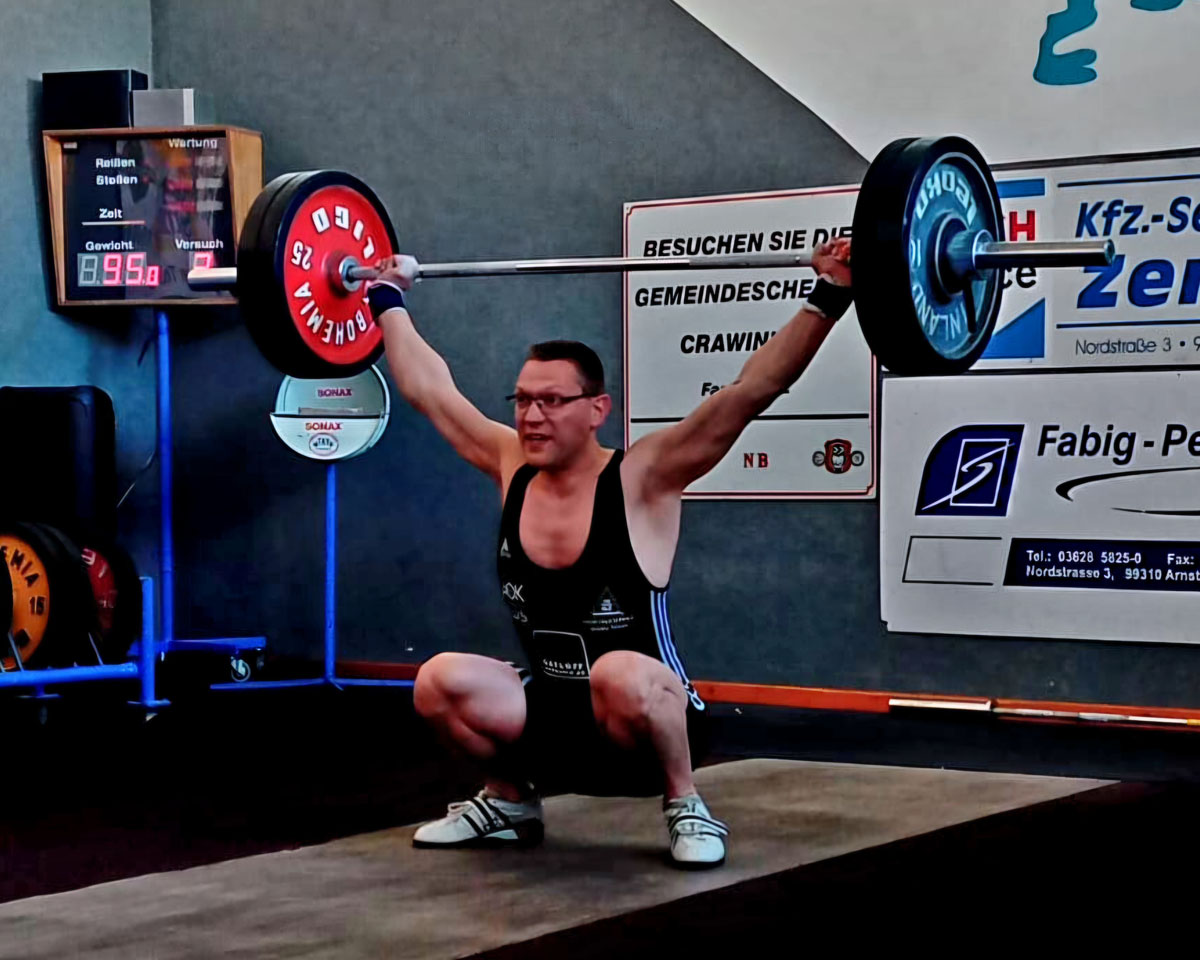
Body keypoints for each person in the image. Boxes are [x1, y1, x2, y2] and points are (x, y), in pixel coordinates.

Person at [366, 238, 853, 869]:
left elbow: (752, 390)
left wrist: (830, 294)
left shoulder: (644, 476)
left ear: (597, 409)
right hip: (554, 718)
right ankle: (509, 801)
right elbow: (429, 390)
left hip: (642, 722)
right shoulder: (510, 462)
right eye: (522, 400)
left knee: (620, 671)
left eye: (551, 401)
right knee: (439, 680)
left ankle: (685, 803)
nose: (531, 417)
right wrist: (386, 296)